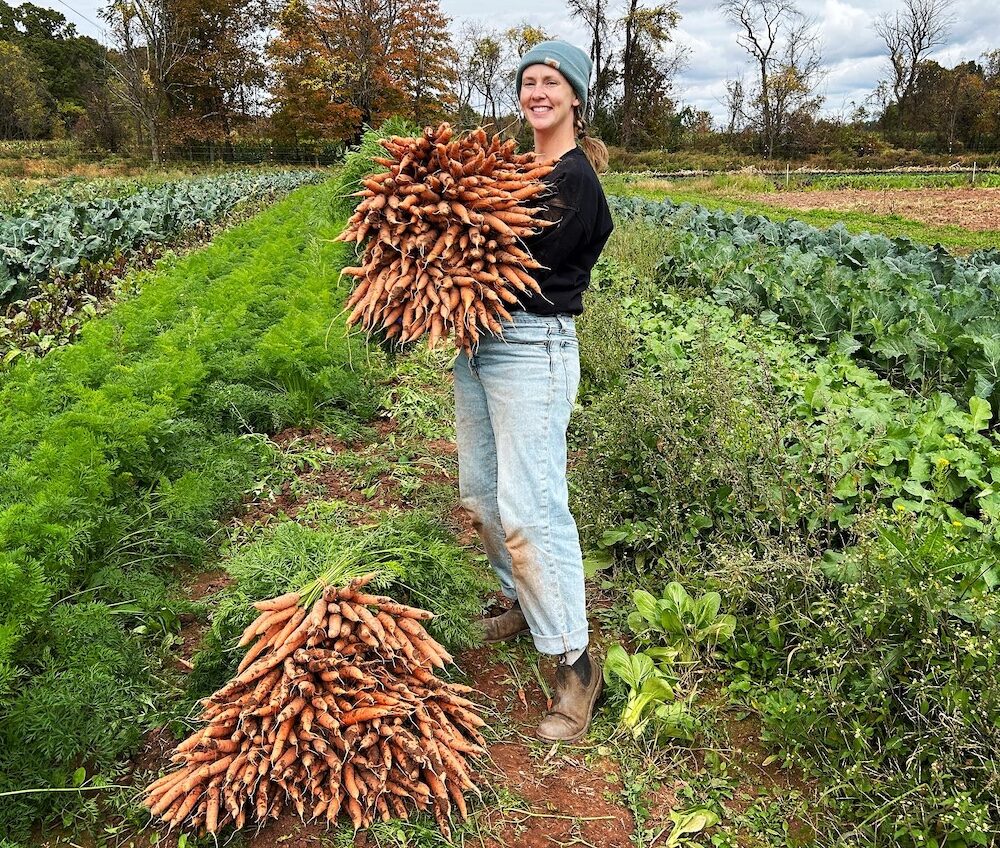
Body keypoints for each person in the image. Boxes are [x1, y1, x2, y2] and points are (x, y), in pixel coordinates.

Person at [453, 40, 614, 743]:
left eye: (551, 82)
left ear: (575, 97)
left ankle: (576, 663)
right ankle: (525, 598)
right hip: (477, 341)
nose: (537, 91)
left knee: (533, 506)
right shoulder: (516, 169)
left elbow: (513, 265)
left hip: (530, 345)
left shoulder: (575, 180)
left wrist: (448, 251)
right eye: (528, 82)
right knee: (480, 494)